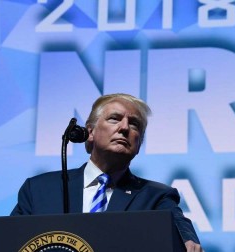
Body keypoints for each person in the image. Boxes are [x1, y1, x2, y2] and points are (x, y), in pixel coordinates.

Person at [11, 93, 202, 251]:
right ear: (90, 132)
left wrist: (186, 239)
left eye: (134, 124)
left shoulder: (155, 196)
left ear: (139, 144)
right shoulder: (39, 190)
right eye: (115, 119)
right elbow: (9, 242)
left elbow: (178, 225)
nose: (125, 127)